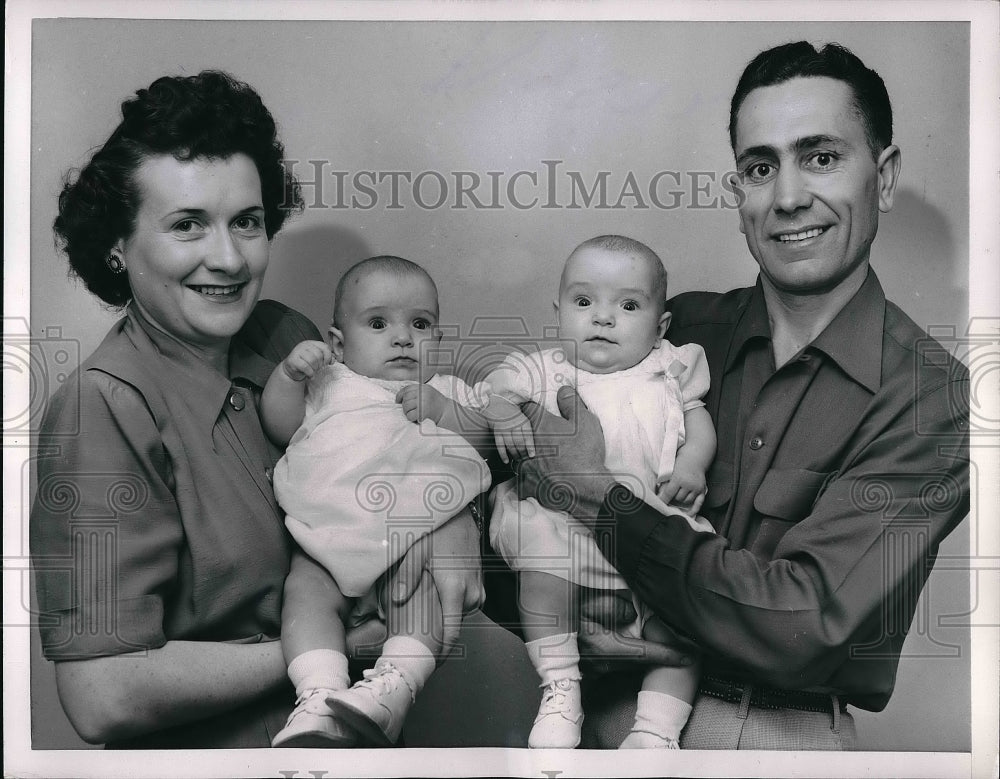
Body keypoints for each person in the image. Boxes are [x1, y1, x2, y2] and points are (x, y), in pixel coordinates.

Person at [512, 41, 970, 750]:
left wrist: (600, 497)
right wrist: (567, 626)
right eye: (761, 167)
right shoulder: (674, 333)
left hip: (775, 735)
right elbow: (518, 485)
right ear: (738, 193)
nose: (787, 197)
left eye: (820, 157)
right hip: (599, 714)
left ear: (882, 178)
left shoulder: (929, 395)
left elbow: (806, 625)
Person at [29, 73, 483, 749]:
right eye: (188, 224)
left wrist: (454, 536)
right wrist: (333, 647)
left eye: (247, 221)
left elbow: (410, 453)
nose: (230, 257)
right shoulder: (102, 408)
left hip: (374, 742)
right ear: (117, 247)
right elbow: (101, 697)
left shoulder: (284, 336)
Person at [478, 235, 716, 749]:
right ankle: (561, 689)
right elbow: (494, 387)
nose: (603, 319)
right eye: (583, 302)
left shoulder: (670, 366)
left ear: (661, 326)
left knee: (683, 619)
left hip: (649, 522)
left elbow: (698, 424)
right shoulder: (547, 369)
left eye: (629, 306)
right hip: (561, 520)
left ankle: (655, 733)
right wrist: (503, 409)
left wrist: (692, 464)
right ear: (559, 311)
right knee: (544, 574)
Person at [262, 256, 495, 747]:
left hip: (411, 536)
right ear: (339, 344)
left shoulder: (442, 389)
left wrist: (445, 411)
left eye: (420, 324)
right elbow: (282, 427)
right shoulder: (328, 383)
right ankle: (317, 697)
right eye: (378, 323)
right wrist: (287, 376)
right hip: (328, 536)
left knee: (425, 595)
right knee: (304, 595)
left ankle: (394, 689)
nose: (403, 337)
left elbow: (486, 446)